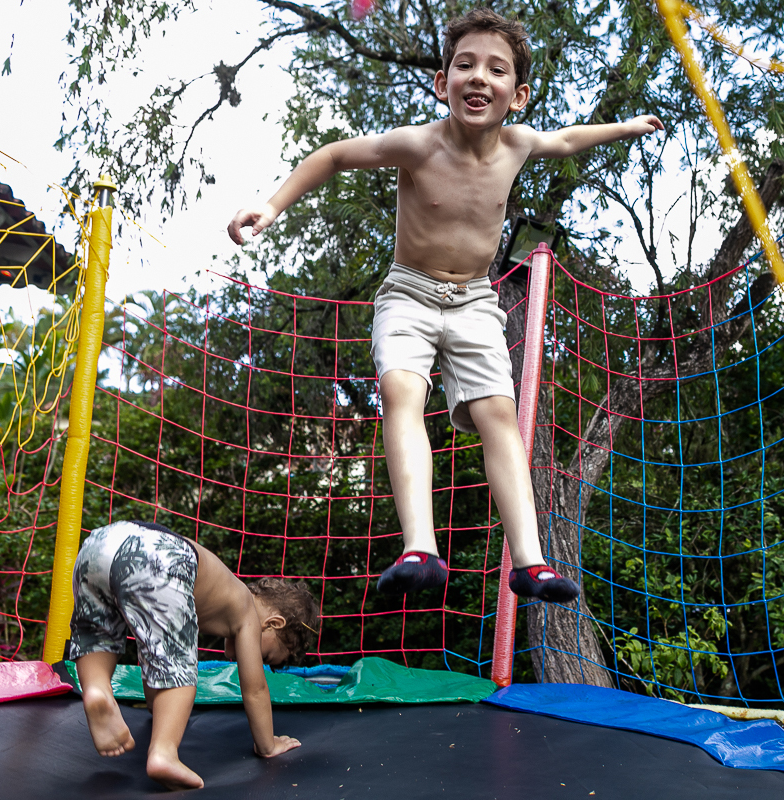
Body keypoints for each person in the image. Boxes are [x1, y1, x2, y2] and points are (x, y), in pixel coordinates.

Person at [227, 8, 663, 603]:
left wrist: (627, 126)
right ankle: (420, 547)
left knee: (499, 414)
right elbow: (333, 156)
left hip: (474, 300)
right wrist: (272, 207)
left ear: (519, 96)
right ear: (442, 82)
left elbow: (566, 140)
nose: (479, 77)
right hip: (409, 292)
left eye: (497, 70)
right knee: (401, 391)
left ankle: (530, 561)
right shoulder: (418, 145)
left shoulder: (518, 144)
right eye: (465, 65)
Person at [68, 520, 319, 791]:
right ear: (274, 623)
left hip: (100, 545)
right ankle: (163, 753)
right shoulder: (246, 609)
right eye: (266, 657)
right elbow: (254, 689)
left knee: (97, 634)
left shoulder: (217, 591)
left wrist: (156, 704)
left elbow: (153, 651)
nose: (253, 660)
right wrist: (268, 745)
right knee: (181, 666)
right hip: (160, 557)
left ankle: (97, 690)